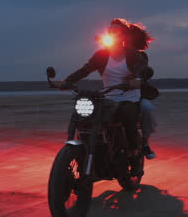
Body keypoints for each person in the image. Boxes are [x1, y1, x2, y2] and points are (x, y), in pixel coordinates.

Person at [53, 18, 149, 172]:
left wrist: (137, 79)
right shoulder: (102, 55)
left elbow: (142, 70)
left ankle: (134, 155)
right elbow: (85, 70)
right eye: (110, 31)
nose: (112, 33)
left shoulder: (133, 55)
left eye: (116, 32)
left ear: (124, 36)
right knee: (86, 117)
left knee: (128, 114)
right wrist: (66, 82)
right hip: (109, 98)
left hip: (128, 98)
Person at [127, 22, 159, 160]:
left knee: (147, 108)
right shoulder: (110, 55)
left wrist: (137, 77)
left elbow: (142, 69)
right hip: (112, 93)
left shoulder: (140, 56)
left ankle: (145, 143)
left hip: (135, 95)